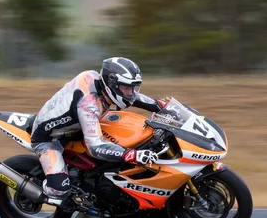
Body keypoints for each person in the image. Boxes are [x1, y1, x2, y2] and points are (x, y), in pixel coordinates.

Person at [29, 57, 166, 209]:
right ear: (112, 84)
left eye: (133, 88)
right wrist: (132, 155)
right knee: (60, 191)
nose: (131, 93)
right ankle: (39, 191)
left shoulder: (101, 83)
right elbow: (95, 147)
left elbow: (133, 97)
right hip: (49, 138)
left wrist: (160, 106)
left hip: (76, 128)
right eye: (127, 88)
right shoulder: (89, 104)